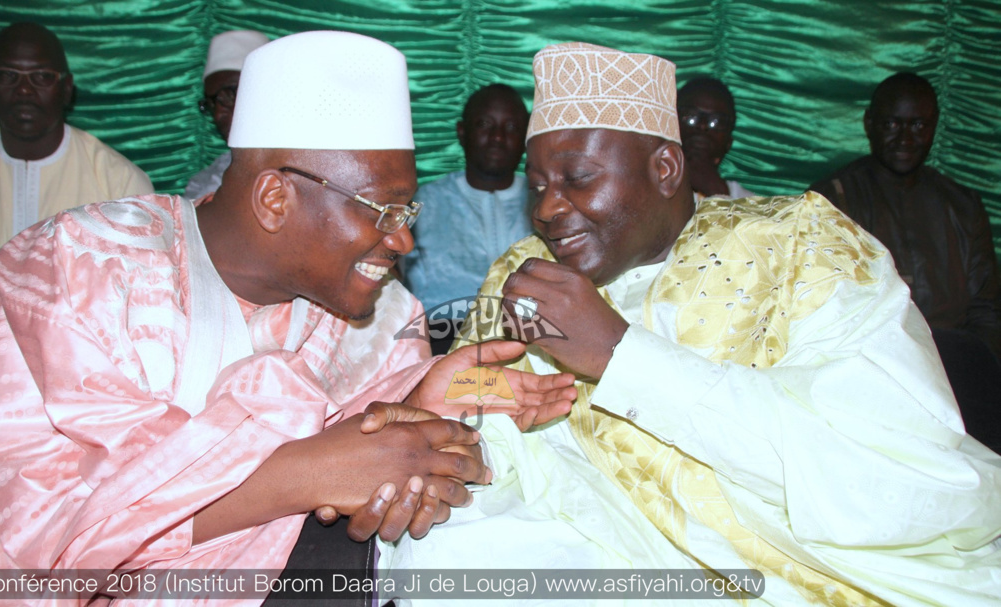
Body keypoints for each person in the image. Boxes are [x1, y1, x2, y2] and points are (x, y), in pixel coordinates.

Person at [0, 31, 575, 604]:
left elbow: (375, 448)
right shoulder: (72, 268)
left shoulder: (383, 312)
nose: (404, 241)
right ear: (276, 199)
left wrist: (423, 397)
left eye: (407, 212)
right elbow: (29, 544)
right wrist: (304, 474)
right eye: (384, 211)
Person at [381, 43, 1001, 606]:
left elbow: (902, 470)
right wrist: (463, 446)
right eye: (538, 184)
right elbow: (480, 407)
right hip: (595, 541)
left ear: (665, 169)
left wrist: (620, 354)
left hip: (799, 565)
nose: (546, 207)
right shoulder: (524, 272)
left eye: (578, 179)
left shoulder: (802, 245)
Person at [810, 72, 1001, 450]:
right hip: (872, 375)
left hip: (958, 373)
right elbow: (823, 310)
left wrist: (965, 376)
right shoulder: (832, 201)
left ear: (934, 126)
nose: (905, 138)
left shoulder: (963, 205)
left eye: (918, 125)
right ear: (869, 123)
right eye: (892, 124)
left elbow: (987, 312)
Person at [0, 22, 153, 274]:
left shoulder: (122, 186)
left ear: (67, 88)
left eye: (42, 76)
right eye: (7, 75)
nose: (24, 90)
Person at [400, 84, 532, 354]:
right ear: (462, 132)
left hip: (531, 339)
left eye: (511, 127)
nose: (497, 137)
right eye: (485, 124)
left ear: (525, 138)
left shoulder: (543, 202)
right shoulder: (422, 203)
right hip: (440, 340)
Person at [184, 29, 269, 200]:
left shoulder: (309, 165)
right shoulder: (203, 183)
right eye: (211, 103)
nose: (218, 114)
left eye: (230, 94)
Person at [678, 76, 754, 201]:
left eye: (716, 122)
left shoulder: (749, 204)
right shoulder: (647, 188)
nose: (702, 126)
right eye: (691, 116)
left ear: (728, 143)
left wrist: (716, 191)